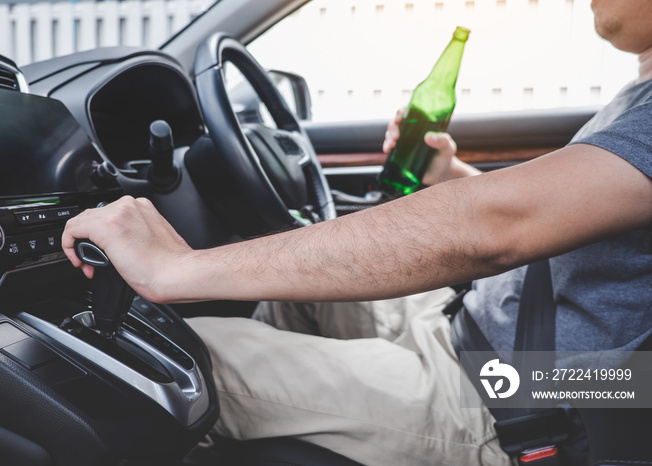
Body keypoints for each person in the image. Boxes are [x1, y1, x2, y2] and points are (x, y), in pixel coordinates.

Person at [62, 1, 652, 464]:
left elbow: (493, 225)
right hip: (467, 326)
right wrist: (453, 175)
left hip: (519, 399)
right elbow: (583, 222)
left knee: (184, 362)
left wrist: (180, 268)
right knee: (293, 300)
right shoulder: (638, 97)